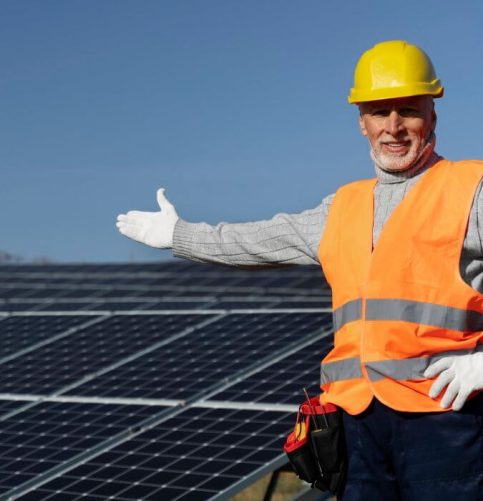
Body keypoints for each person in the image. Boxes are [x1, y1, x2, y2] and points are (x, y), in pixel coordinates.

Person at [116, 40, 483, 500]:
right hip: (355, 422)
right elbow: (259, 239)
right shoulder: (342, 207)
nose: (393, 126)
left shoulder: (471, 190)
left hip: (445, 419)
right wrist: (179, 235)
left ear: (432, 116)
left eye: (408, 110)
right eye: (378, 112)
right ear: (361, 122)